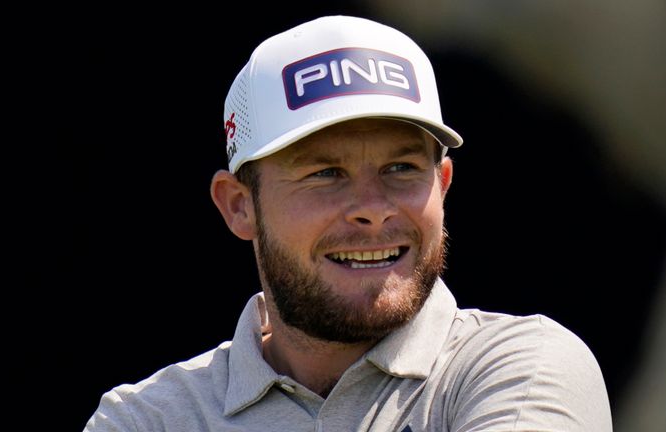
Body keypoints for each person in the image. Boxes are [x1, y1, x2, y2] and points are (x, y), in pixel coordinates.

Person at [84, 15, 613, 431]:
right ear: (239, 205)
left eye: (401, 168)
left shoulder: (521, 367)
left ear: (443, 184)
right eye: (326, 173)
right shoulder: (147, 418)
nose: (373, 206)